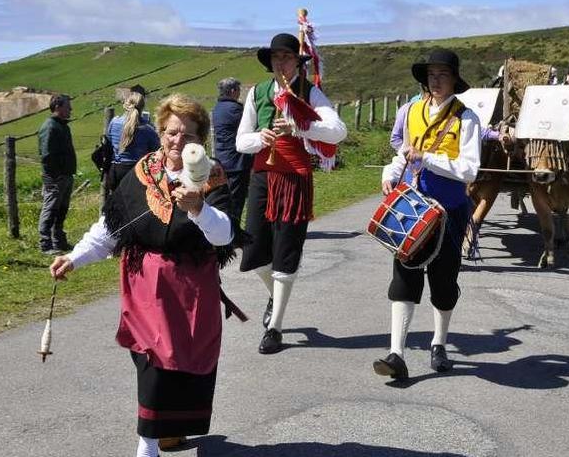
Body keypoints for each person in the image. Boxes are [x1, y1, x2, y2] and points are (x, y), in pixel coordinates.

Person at [48, 94, 237, 457]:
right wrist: (75, 257)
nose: (177, 141)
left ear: (202, 139)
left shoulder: (211, 174)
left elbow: (226, 234)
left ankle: (168, 431)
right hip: (145, 285)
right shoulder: (143, 171)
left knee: (182, 362)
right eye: (170, 132)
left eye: (188, 135)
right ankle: (146, 445)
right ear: (161, 133)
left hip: (189, 289)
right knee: (152, 362)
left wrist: (198, 208)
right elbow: (111, 227)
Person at [236, 32, 347, 354]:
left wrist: (300, 128)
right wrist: (262, 137)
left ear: (297, 61)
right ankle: (276, 294)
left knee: (286, 251)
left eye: (286, 57)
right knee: (255, 255)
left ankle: (276, 328)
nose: (280, 63)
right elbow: (240, 142)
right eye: (275, 58)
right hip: (262, 176)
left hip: (295, 179)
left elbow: (338, 131)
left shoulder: (310, 93)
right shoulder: (257, 92)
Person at [373, 49, 480, 380]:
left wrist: (428, 158)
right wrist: (390, 173)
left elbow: (469, 170)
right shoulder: (410, 112)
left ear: (453, 79)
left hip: (449, 211)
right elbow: (403, 153)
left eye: (442, 75)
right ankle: (396, 353)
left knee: (444, 282)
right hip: (412, 209)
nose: (435, 81)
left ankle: (439, 342)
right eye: (431, 75)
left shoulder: (466, 118)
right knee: (404, 276)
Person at [38, 94, 76, 254]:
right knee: (51, 208)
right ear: (58, 107)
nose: (71, 109)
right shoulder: (50, 127)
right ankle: (45, 244)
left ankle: (59, 241)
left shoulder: (61, 126)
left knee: (61, 209)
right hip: (55, 177)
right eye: (68, 106)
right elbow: (46, 155)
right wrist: (55, 175)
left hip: (65, 175)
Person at [106, 85, 161, 193]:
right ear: (142, 107)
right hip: (137, 172)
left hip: (116, 170)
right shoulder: (147, 129)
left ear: (125, 105)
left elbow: (109, 143)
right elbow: (157, 150)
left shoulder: (114, 122)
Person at [211, 77, 250, 227]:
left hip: (223, 158)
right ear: (233, 91)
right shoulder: (236, 109)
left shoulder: (217, 108)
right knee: (236, 199)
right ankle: (233, 231)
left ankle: (227, 228)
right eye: (239, 90)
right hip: (236, 161)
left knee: (225, 197)